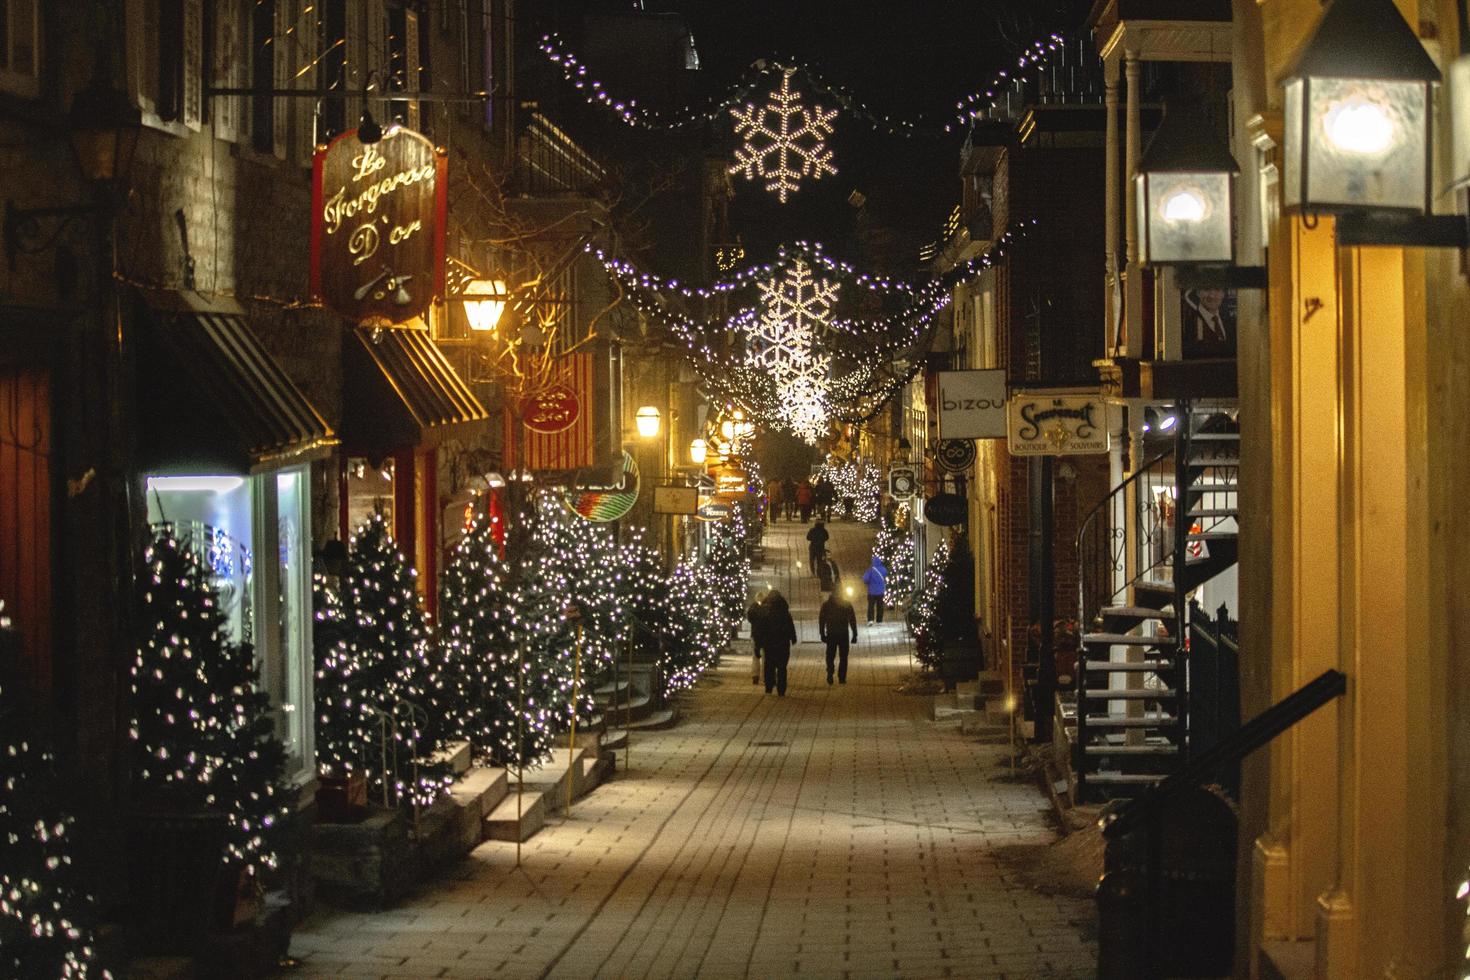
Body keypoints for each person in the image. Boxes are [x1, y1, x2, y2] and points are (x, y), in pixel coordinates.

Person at [819, 588, 859, 685]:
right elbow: (852, 620)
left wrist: (822, 633)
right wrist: (854, 634)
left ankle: (830, 672)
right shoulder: (846, 604)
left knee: (830, 656)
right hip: (843, 634)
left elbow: (821, 620)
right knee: (843, 656)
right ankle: (841, 677)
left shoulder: (826, 605)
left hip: (831, 633)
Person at [762, 591, 797, 696]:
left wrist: (760, 643)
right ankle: (781, 689)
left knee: (769, 666)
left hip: (770, 644)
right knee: (782, 667)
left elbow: (762, 628)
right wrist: (793, 638)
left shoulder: (767, 612)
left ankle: (769, 687)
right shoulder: (784, 612)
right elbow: (790, 626)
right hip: (783, 643)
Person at [746, 591, 770, 685]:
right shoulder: (768, 608)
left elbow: (750, 618)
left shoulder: (753, 608)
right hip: (766, 635)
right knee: (765, 656)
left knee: (755, 656)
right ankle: (765, 676)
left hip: (755, 635)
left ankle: (755, 676)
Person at [862, 556, 888, 625]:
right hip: (880, 591)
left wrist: (869, 583)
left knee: (871, 606)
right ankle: (879, 620)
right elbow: (885, 575)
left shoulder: (870, 570)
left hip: (872, 591)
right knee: (880, 606)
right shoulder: (883, 569)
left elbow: (865, 579)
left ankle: (870, 620)